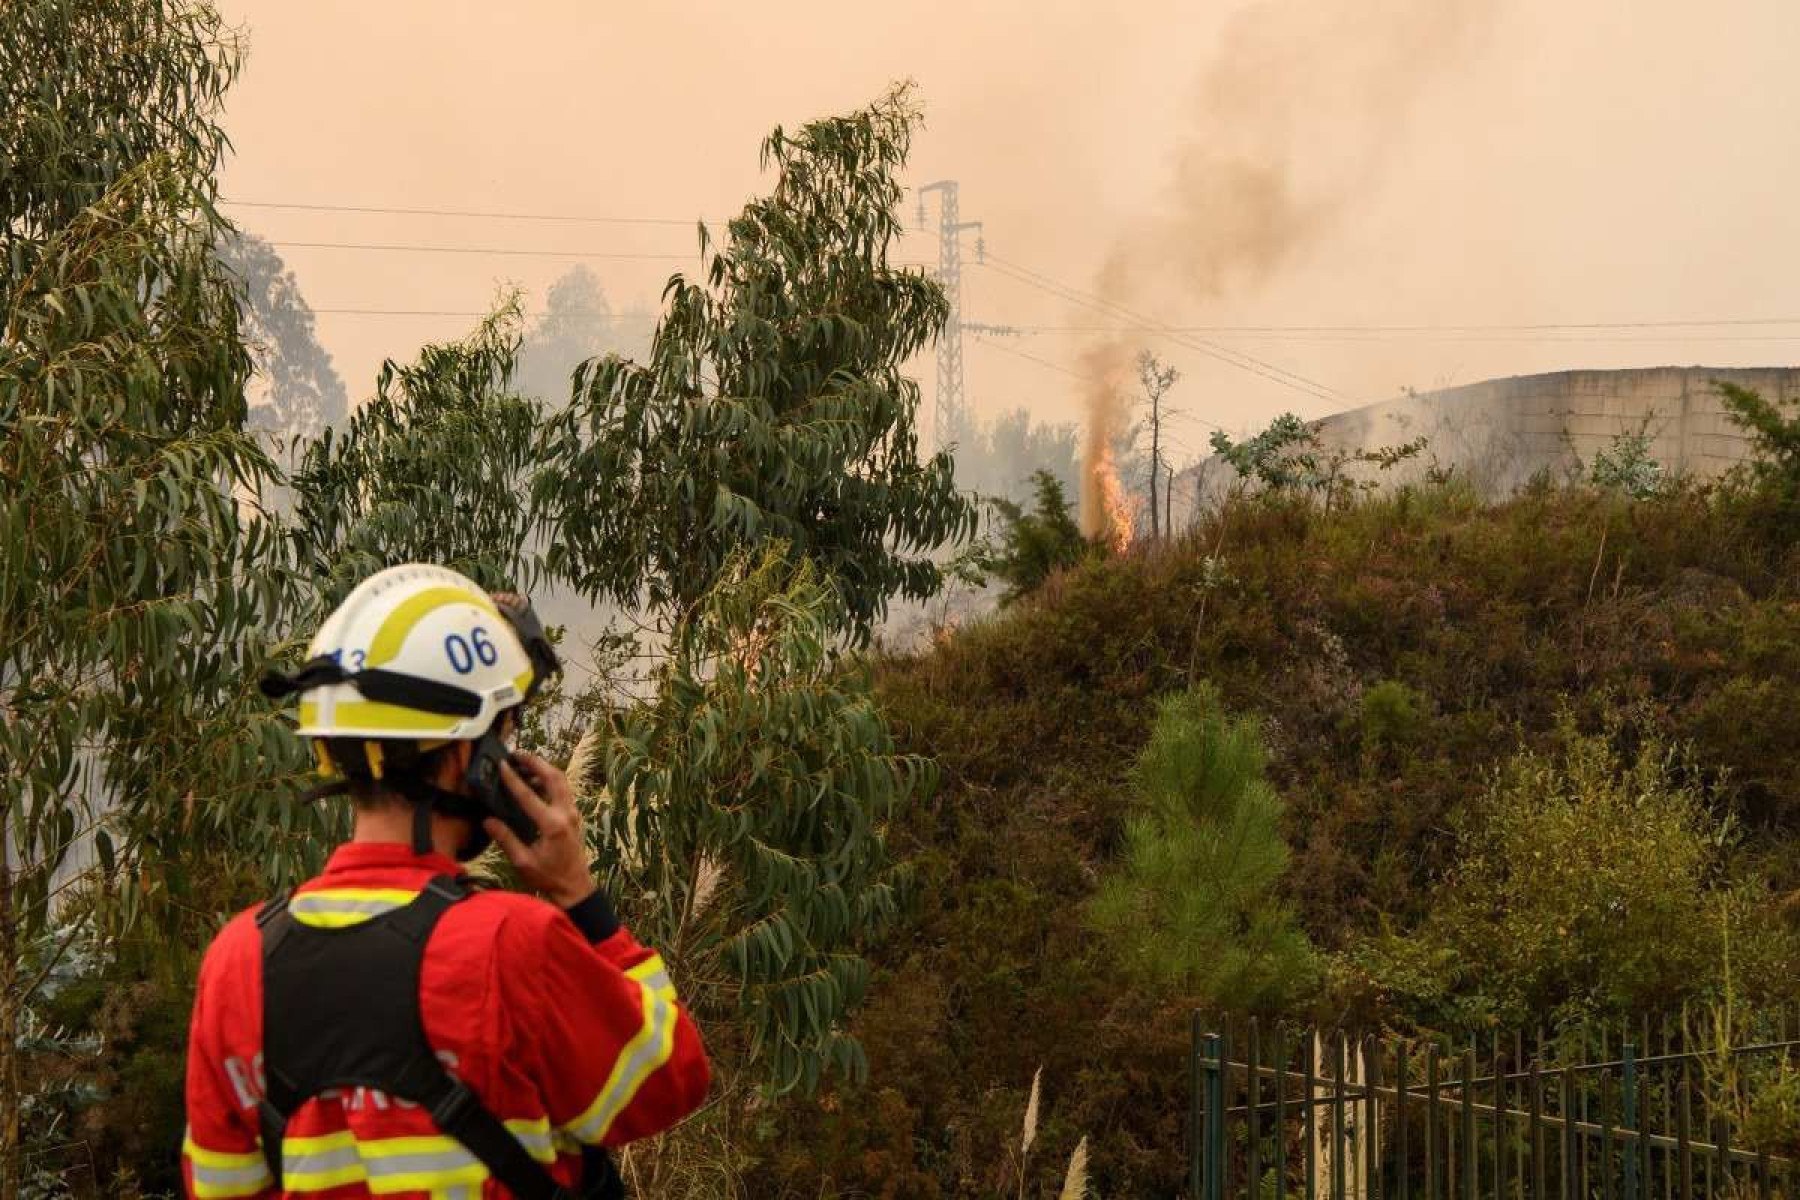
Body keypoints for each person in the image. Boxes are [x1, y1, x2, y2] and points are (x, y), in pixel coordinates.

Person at [182, 564, 709, 1199]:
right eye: (503, 734)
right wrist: (580, 895)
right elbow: (667, 1081)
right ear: (467, 757)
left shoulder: (236, 962)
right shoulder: (513, 943)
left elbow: (218, 1187)